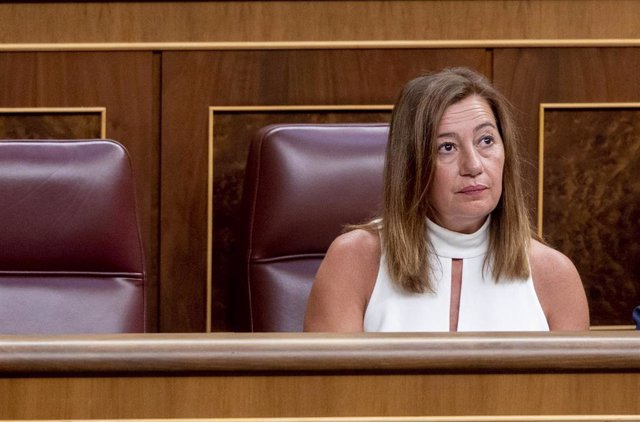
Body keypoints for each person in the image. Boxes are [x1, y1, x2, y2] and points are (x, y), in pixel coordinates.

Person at [304, 67, 590, 332]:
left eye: (486, 140)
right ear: (412, 165)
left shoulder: (554, 275)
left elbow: (573, 389)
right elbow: (329, 388)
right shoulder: (354, 261)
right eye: (447, 147)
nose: (474, 165)